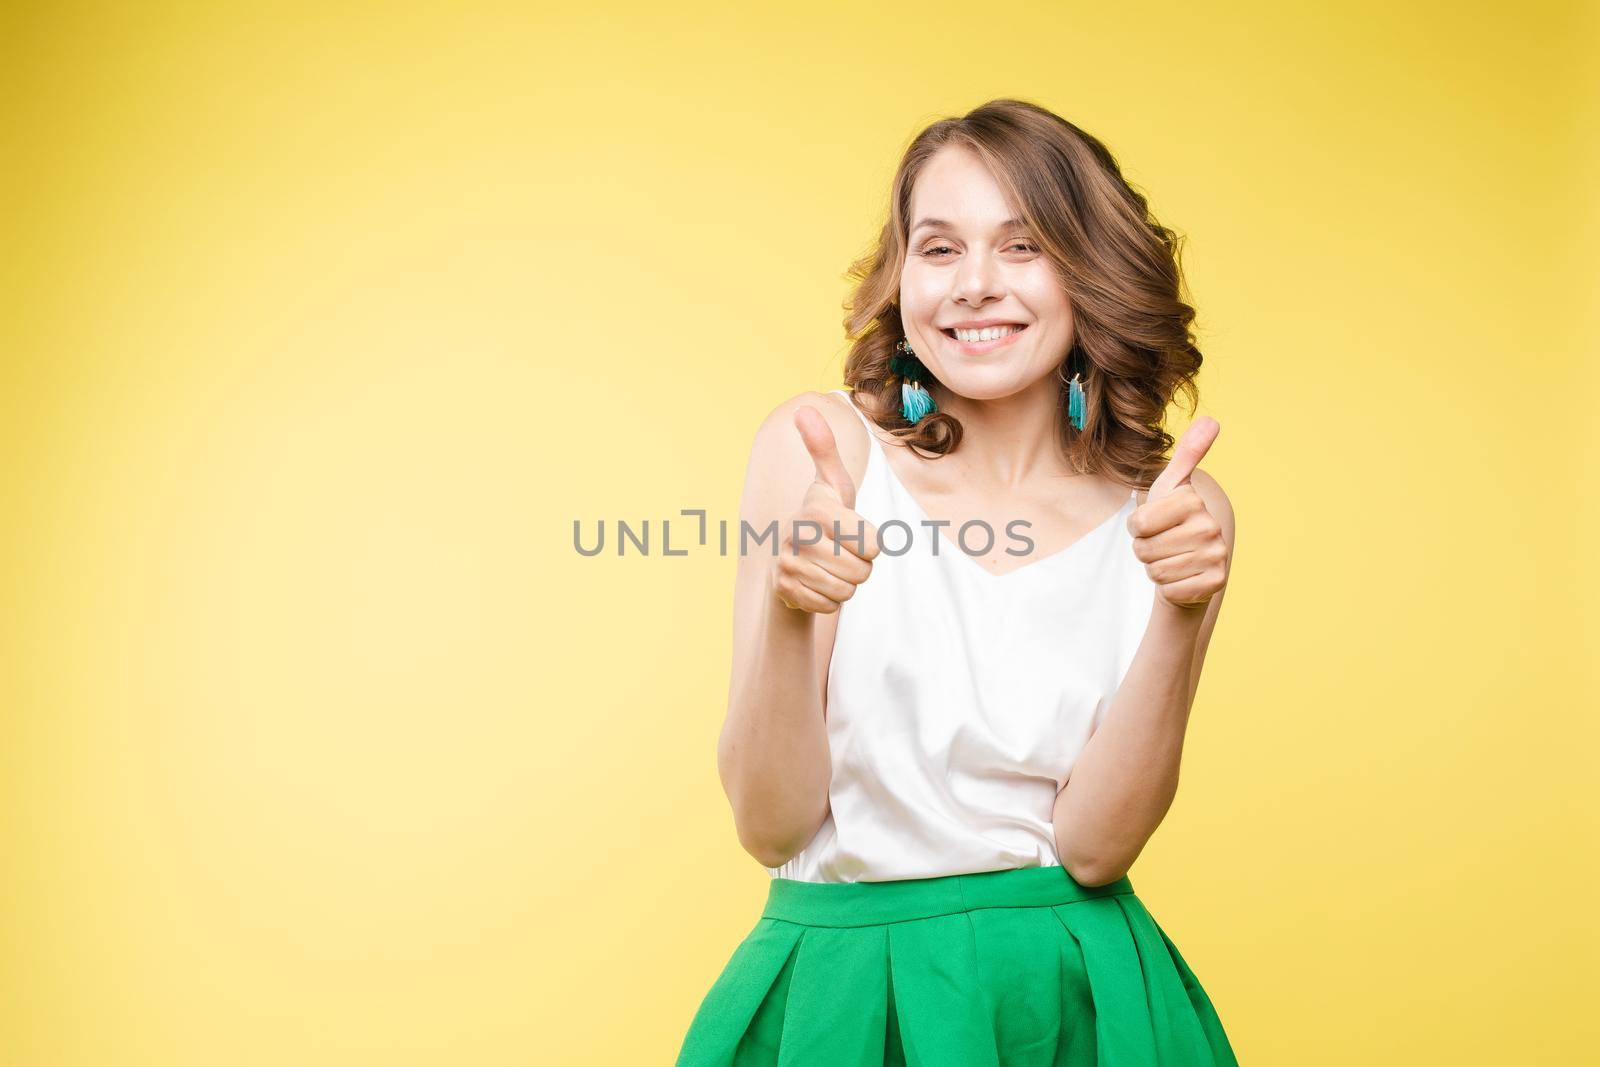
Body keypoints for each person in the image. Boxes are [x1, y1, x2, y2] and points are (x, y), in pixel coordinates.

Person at [675, 98, 1240, 1066]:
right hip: (843, 997)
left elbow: (1098, 848)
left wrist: (1181, 608)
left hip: (1080, 998)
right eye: (939, 249)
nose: (975, 285)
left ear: (1088, 271)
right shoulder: (824, 456)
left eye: (1023, 247)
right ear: (902, 284)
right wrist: (789, 604)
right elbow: (770, 825)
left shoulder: (1173, 508)